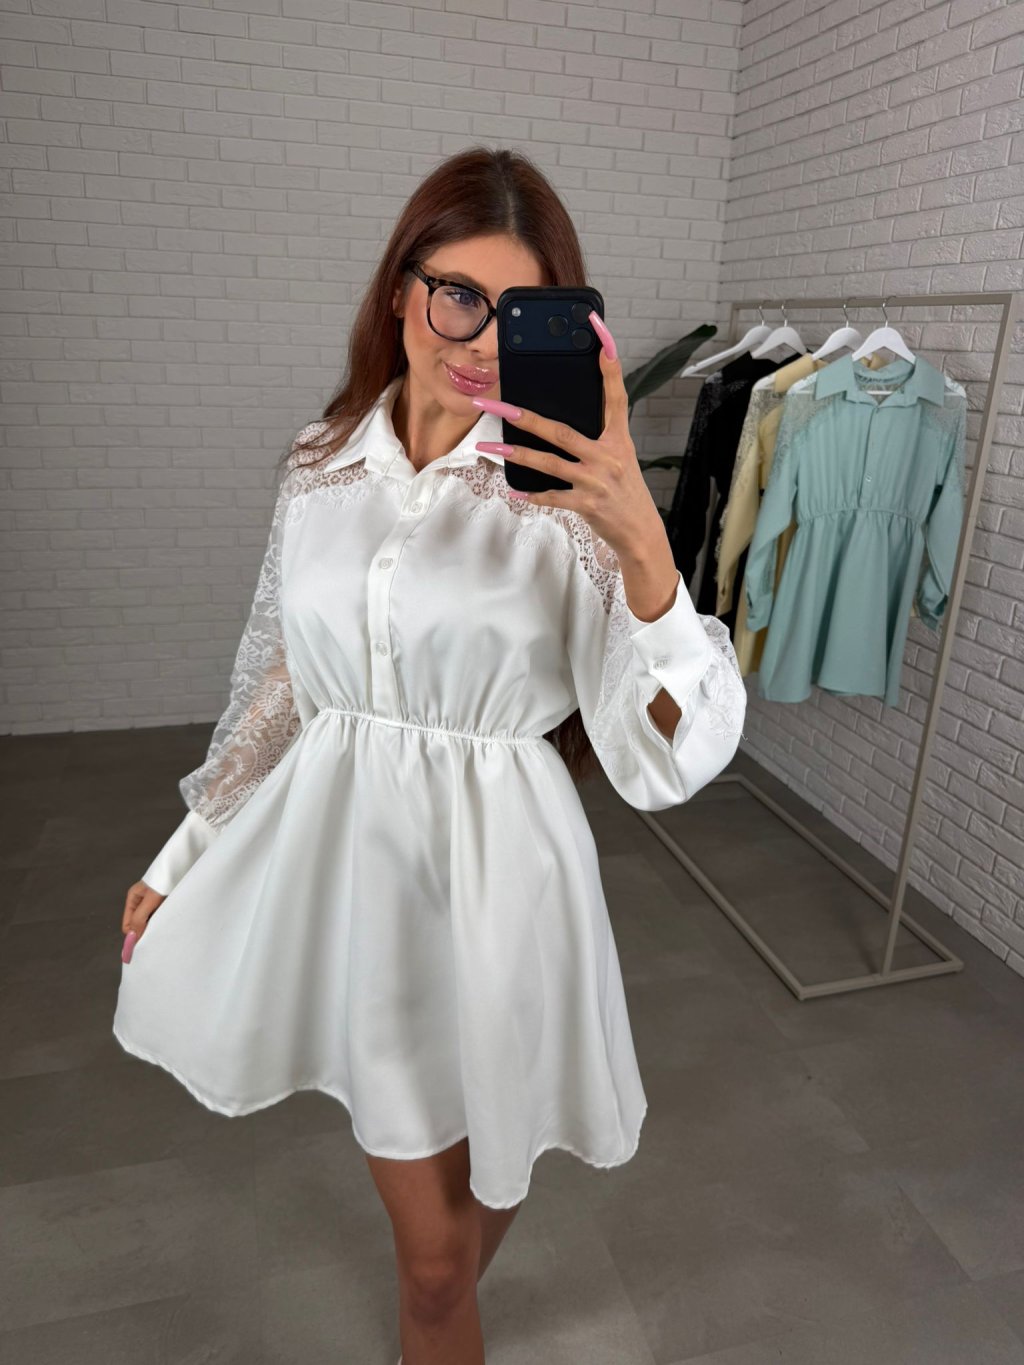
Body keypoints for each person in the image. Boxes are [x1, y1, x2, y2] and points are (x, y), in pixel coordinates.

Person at [114, 145, 747, 1365]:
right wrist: (188, 848)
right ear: (401, 289)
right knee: (438, 1259)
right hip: (359, 876)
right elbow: (287, 681)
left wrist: (643, 551)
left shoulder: (568, 503)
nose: (484, 340)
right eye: (459, 293)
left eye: (523, 313)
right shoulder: (321, 464)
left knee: (459, 1228)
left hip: (506, 884)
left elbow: (667, 755)